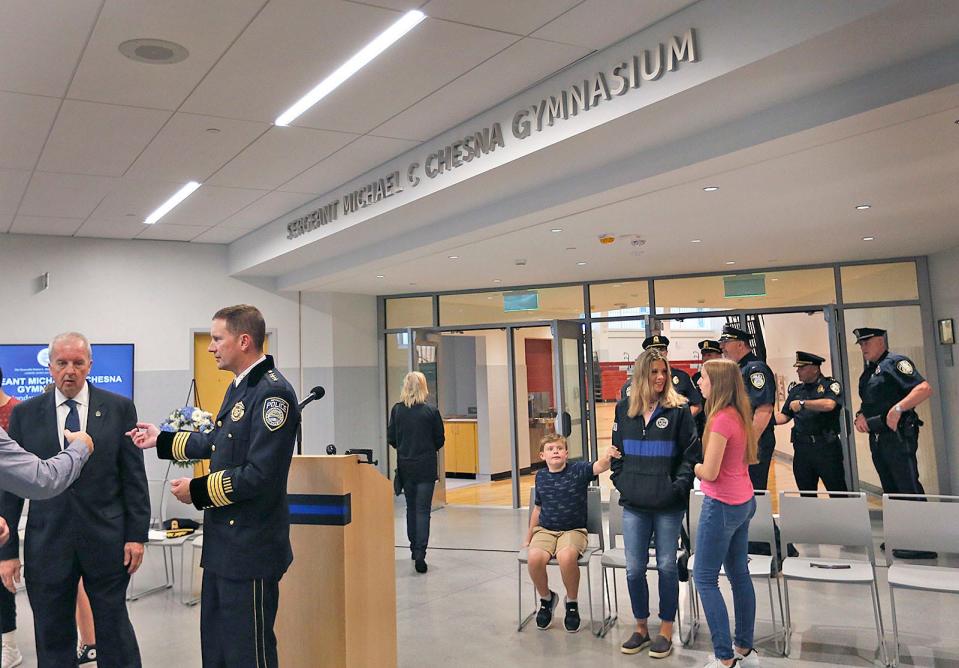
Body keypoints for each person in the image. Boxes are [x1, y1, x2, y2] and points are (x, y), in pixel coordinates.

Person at [130, 304, 300, 666]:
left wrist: (197, 491)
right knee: (220, 649)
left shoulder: (272, 395)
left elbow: (260, 475)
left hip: (251, 548)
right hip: (225, 547)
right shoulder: (241, 388)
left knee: (248, 652)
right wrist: (161, 440)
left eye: (217, 339)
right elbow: (217, 443)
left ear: (243, 341)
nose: (211, 347)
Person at [0, 333, 147, 668]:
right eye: (62, 363)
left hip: (106, 541)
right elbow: (9, 486)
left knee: (114, 631)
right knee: (51, 635)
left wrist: (136, 535)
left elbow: (133, 478)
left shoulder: (118, 408)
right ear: (49, 367)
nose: (70, 371)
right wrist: (6, 553)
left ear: (90, 365)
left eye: (78, 363)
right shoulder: (25, 415)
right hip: (48, 542)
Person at [611, 348, 700, 658]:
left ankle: (665, 627)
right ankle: (640, 627)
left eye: (664, 371)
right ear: (641, 375)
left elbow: (691, 457)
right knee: (634, 569)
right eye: (654, 372)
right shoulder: (624, 410)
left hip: (668, 505)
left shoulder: (679, 411)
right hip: (634, 503)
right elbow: (616, 454)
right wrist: (621, 480)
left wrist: (677, 488)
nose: (661, 377)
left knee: (665, 566)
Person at [693, 358, 760, 668]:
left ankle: (724, 657)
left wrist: (690, 464)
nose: (699, 383)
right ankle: (744, 646)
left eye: (703, 378)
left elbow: (709, 471)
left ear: (716, 383)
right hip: (744, 502)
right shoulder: (738, 414)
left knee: (705, 579)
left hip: (722, 506)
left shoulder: (720, 419)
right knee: (738, 574)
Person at [853, 327, 936, 559]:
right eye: (860, 344)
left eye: (867, 342)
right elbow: (870, 402)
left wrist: (899, 408)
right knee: (890, 489)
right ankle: (900, 536)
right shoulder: (869, 372)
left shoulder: (896, 362)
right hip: (879, 437)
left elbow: (923, 388)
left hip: (898, 436)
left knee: (907, 486)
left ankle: (922, 541)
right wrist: (860, 416)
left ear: (880, 341)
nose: (863, 347)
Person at [524, 434, 618, 633]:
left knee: (566, 557)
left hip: (573, 530)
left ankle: (572, 603)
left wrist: (608, 456)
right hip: (546, 530)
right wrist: (529, 537)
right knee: (534, 558)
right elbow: (537, 509)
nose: (555, 451)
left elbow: (599, 467)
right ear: (542, 455)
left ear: (566, 453)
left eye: (559, 448)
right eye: (550, 449)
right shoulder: (540, 476)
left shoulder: (578, 470)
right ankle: (547, 599)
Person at [387, 371, 445, 574]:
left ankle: (413, 548)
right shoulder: (431, 411)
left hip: (406, 466)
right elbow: (440, 440)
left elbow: (391, 438)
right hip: (426, 466)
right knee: (423, 510)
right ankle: (421, 552)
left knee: (410, 509)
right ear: (423, 387)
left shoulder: (397, 410)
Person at [774, 351, 848, 493]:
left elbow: (829, 404)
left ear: (815, 368)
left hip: (826, 447)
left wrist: (803, 403)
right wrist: (766, 420)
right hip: (802, 449)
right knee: (806, 493)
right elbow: (784, 416)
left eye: (802, 368)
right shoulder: (796, 390)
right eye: (797, 368)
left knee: (837, 491)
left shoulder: (830, 385)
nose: (798, 371)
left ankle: (843, 515)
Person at [718, 326, 776, 491]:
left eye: (726, 342)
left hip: (755, 441)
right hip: (742, 440)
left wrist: (748, 443)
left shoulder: (755, 369)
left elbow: (764, 410)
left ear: (740, 345)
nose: (722, 347)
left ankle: (758, 518)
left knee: (754, 489)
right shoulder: (738, 369)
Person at [620, 335, 704, 419]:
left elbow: (696, 404)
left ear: (667, 352)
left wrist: (680, 422)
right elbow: (627, 411)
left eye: (662, 349)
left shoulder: (682, 377)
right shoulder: (633, 383)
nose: (658, 352)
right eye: (654, 350)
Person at [692, 340, 722, 437]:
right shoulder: (697, 377)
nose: (705, 358)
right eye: (703, 355)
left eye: (709, 355)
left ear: (719, 356)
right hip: (702, 424)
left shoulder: (726, 376)